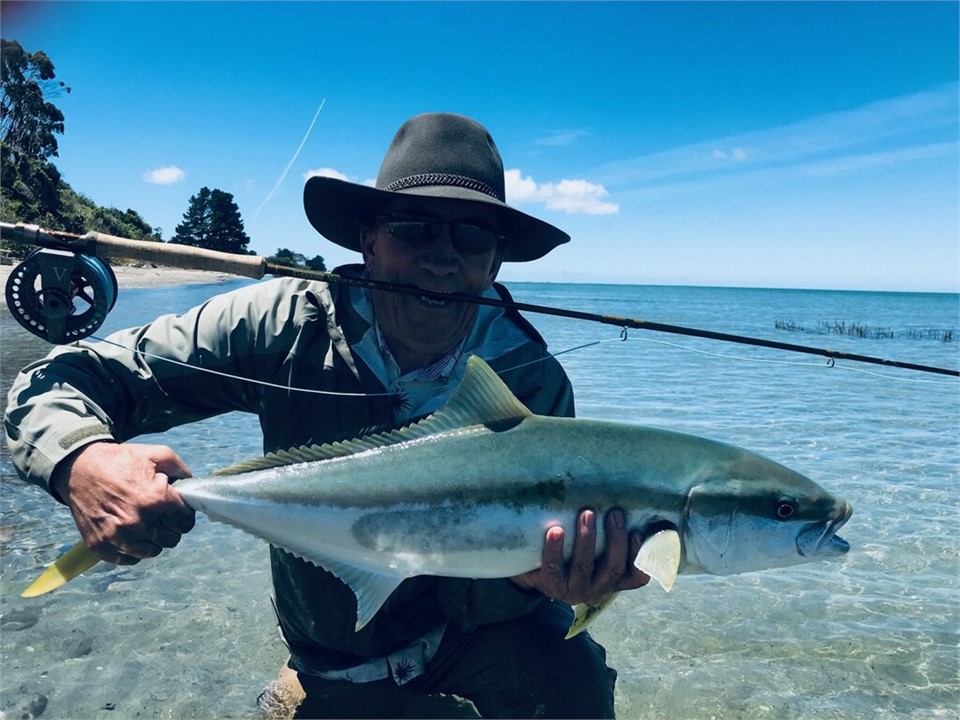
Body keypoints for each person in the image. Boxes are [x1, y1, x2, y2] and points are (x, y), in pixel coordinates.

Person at [5, 112, 650, 718]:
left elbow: (488, 596)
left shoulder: (531, 382)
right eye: (413, 228)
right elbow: (61, 377)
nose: (440, 257)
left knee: (575, 683)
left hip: (471, 642)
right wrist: (78, 459)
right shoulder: (281, 325)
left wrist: (530, 581)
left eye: (470, 236)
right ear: (369, 240)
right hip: (330, 656)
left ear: (495, 261)